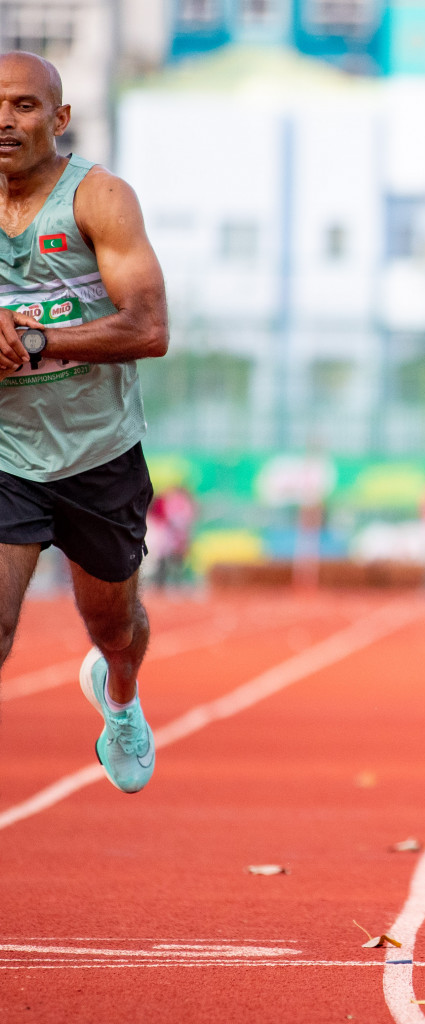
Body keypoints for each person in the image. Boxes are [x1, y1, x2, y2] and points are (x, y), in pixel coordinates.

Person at [0, 53, 170, 794]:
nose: (4, 121)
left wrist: (33, 338)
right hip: (7, 453)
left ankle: (121, 697)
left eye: (24, 106)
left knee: (116, 625)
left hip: (99, 451)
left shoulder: (99, 199)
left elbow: (149, 327)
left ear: (59, 119)